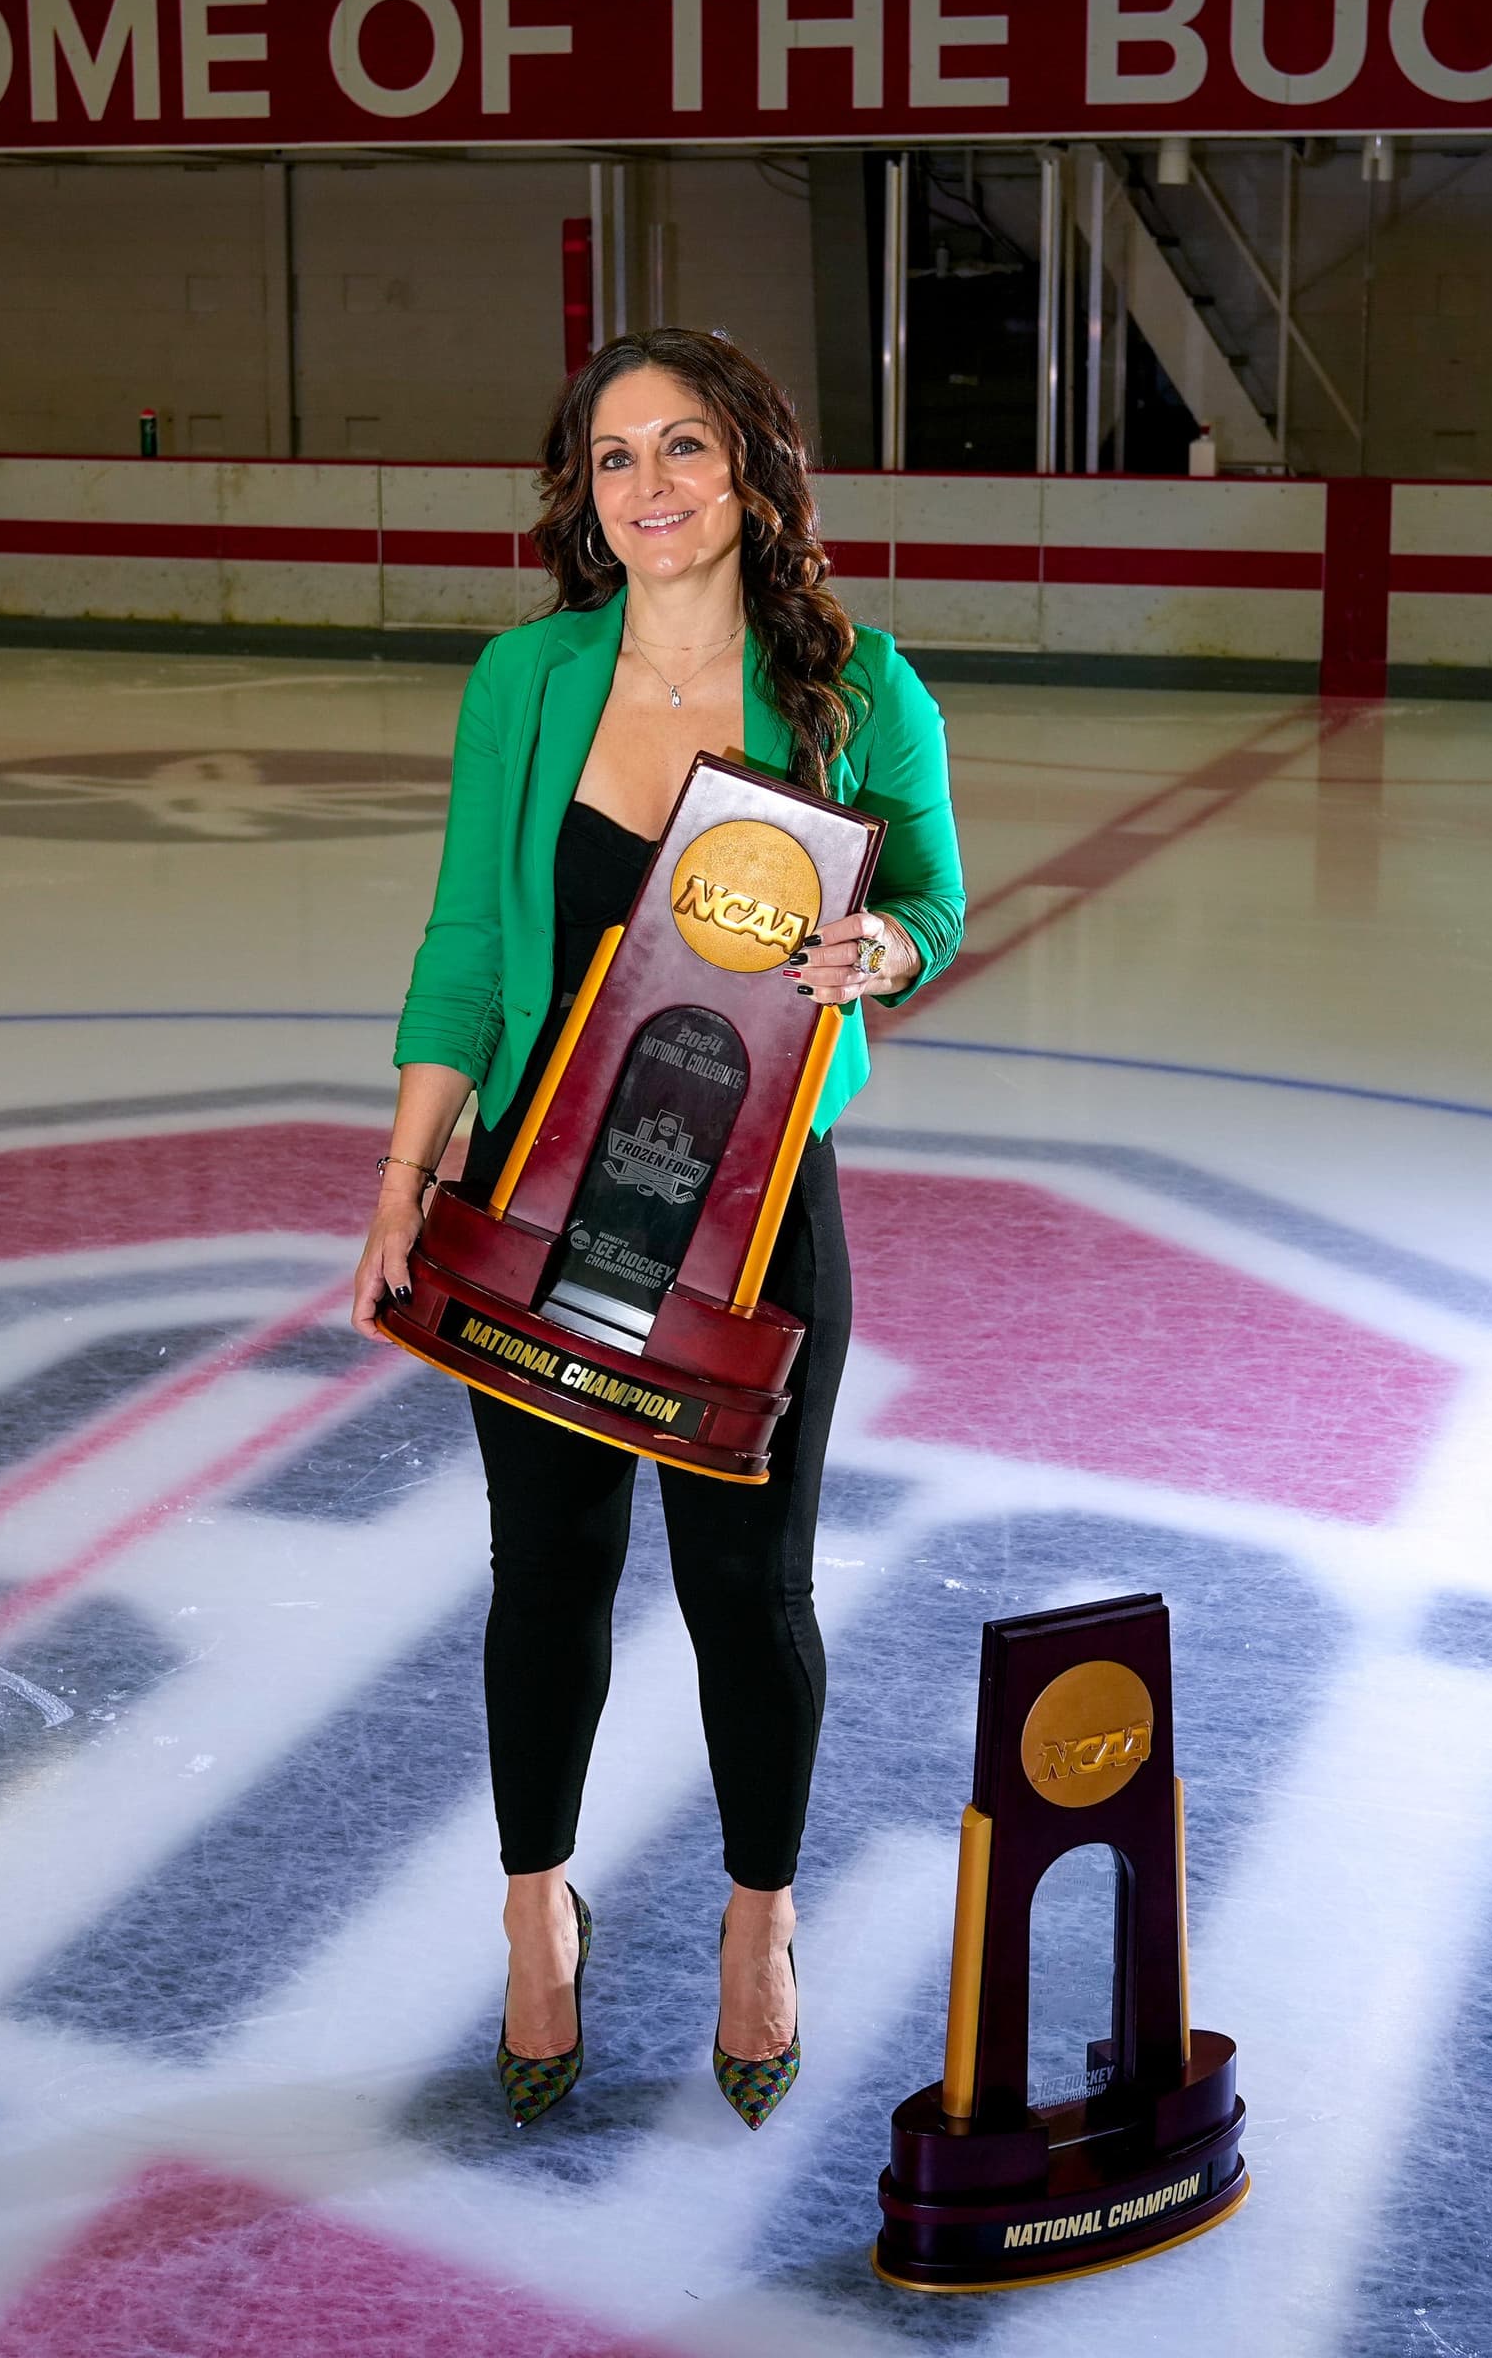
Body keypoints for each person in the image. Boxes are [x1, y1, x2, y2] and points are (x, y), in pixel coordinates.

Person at [354, 327, 965, 2131]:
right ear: (584, 495)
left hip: (757, 1216)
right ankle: (539, 1913)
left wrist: (889, 953)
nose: (650, 489)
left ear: (758, 471)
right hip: (540, 1201)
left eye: (684, 448)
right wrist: (401, 1186)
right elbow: (471, 937)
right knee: (541, 1581)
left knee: (742, 1593)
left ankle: (758, 1921)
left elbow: (924, 889)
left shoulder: (858, 690)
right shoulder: (528, 680)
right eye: (614, 459)